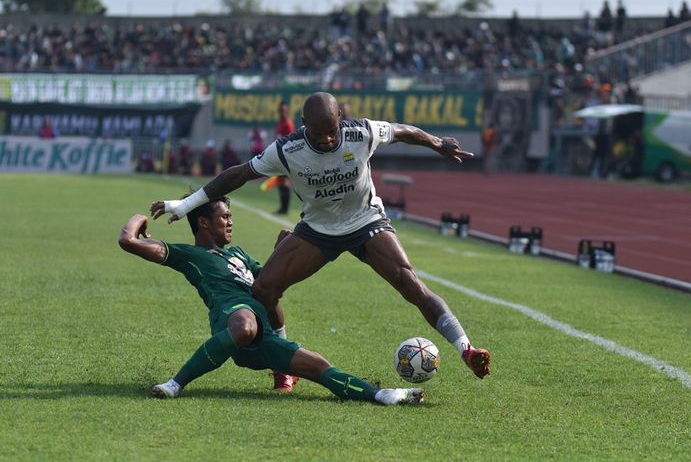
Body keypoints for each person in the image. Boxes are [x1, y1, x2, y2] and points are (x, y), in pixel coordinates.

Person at [150, 92, 491, 384]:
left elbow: (403, 131)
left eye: (331, 132)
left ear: (340, 119)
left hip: (366, 222)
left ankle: (465, 348)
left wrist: (437, 143)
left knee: (410, 283)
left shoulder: (361, 132)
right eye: (318, 133)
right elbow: (238, 175)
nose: (327, 139)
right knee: (264, 290)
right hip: (318, 230)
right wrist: (186, 204)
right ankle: (283, 365)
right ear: (303, 125)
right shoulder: (287, 149)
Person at [119, 197, 424, 405]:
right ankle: (175, 384)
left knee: (319, 365)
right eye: (225, 217)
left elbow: (268, 281)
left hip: (260, 332)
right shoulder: (190, 255)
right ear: (203, 224)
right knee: (245, 324)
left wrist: (281, 251)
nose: (230, 223)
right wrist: (140, 217)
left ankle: (383, 395)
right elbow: (128, 240)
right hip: (232, 317)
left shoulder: (239, 254)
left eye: (230, 217)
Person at [274, 101, 295, 215]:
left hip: (285, 156)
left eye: (284, 110)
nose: (282, 112)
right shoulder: (280, 123)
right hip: (278, 155)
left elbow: (290, 140)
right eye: (281, 110)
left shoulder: (288, 123)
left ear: (287, 111)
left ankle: (285, 208)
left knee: (285, 182)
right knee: (280, 182)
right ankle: (282, 207)